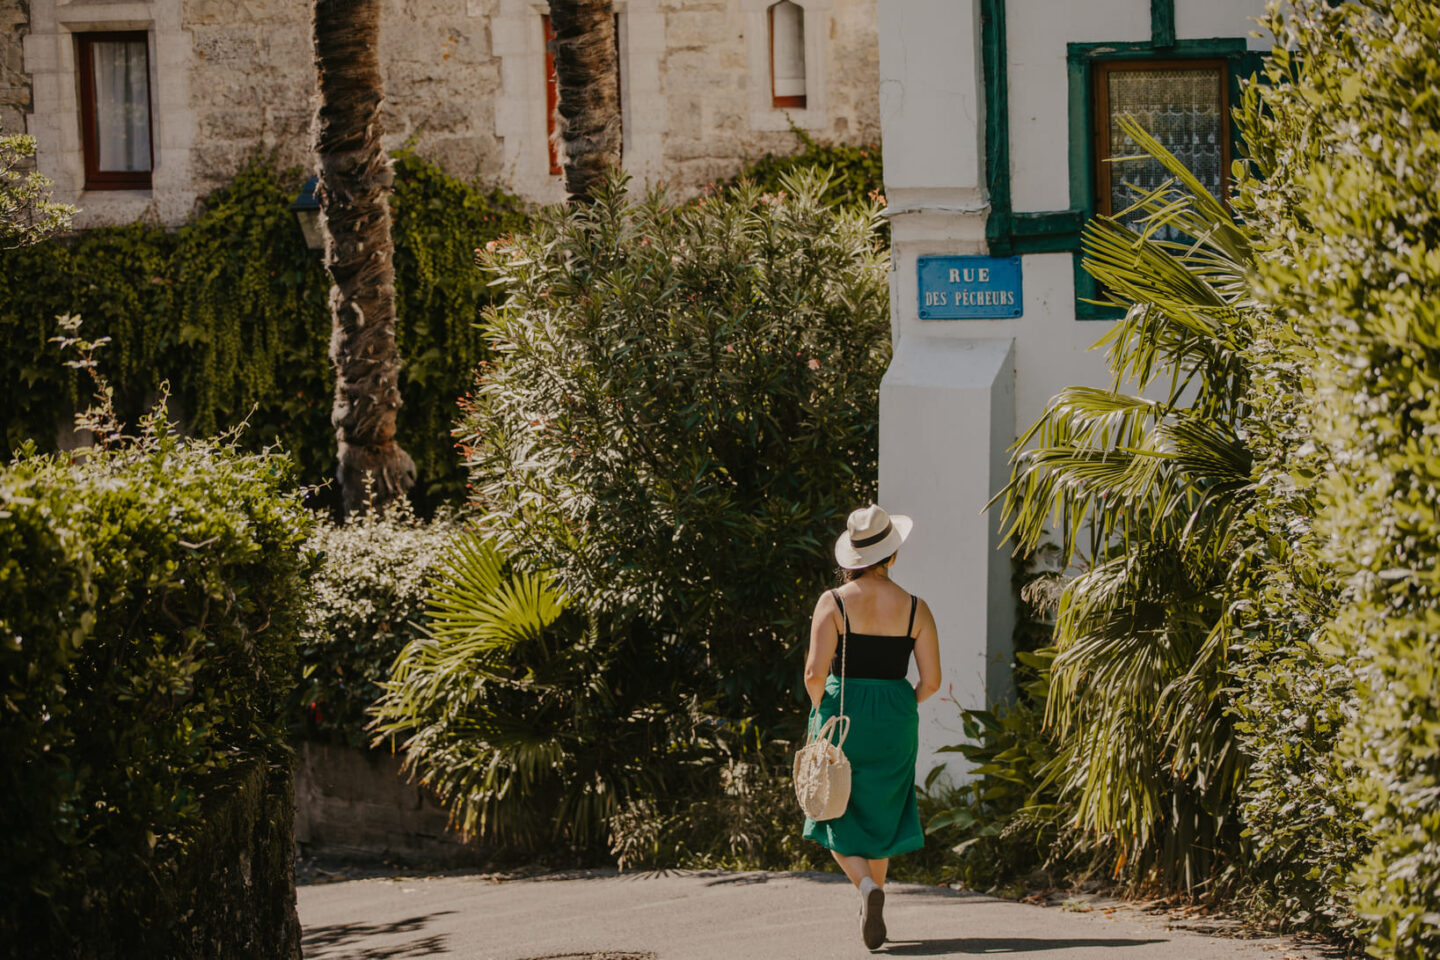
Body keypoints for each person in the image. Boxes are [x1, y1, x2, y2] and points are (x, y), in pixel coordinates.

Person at [801, 504, 941, 951]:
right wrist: (899, 705)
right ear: (892, 555)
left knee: (830, 809)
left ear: (851, 558)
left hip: (843, 717)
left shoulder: (835, 601)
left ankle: (866, 888)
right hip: (896, 719)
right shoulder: (917, 607)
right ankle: (872, 897)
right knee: (881, 813)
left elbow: (813, 674)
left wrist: (822, 713)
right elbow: (932, 681)